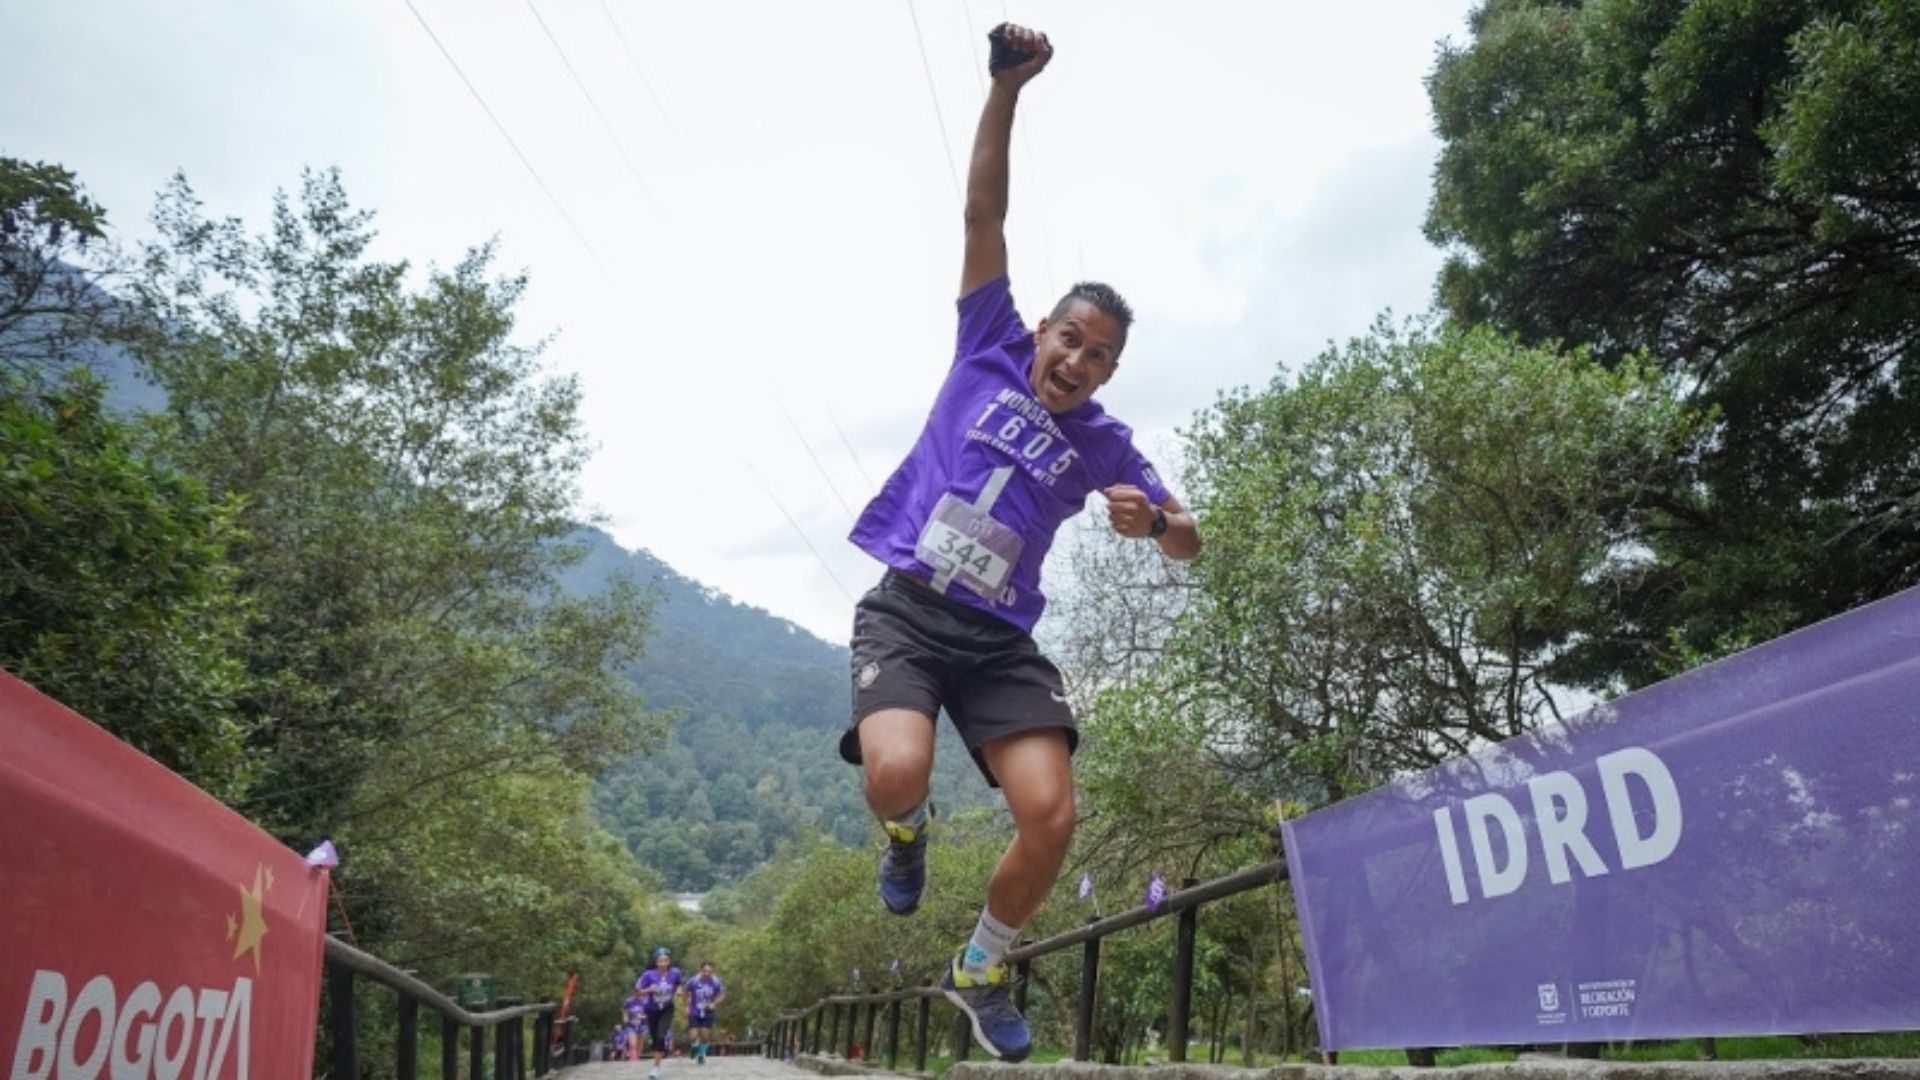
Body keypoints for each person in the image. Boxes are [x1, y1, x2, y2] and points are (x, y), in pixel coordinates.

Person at [840, 21, 1202, 1064]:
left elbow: (1191, 542)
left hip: (999, 642)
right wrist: (1007, 90)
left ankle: (982, 962)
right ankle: (906, 836)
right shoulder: (986, 344)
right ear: (1040, 328)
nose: (1079, 361)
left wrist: (1158, 523)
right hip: (909, 610)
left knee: (1051, 814)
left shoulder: (1105, 442)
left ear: (1110, 374)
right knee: (895, 774)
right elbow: (981, 210)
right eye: (1071, 338)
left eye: (1100, 356)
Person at [635, 947, 684, 1079]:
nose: (663, 963)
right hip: (651, 1009)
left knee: (661, 1036)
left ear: (669, 961)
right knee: (655, 1037)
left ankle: (656, 1067)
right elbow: (638, 991)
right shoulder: (648, 974)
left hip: (667, 1008)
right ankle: (657, 1051)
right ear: (656, 962)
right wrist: (648, 990)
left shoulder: (675, 972)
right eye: (660, 960)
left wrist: (679, 990)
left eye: (666, 960)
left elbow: (679, 984)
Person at [683, 960, 727, 1064]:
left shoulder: (716, 981)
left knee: (705, 1035)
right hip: (695, 1009)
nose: (707, 973)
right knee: (693, 1035)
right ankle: (694, 1046)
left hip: (708, 1010)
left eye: (709, 971)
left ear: (713, 971)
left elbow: (722, 995)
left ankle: (701, 1055)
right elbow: (685, 992)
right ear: (701, 970)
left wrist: (714, 1003)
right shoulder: (693, 980)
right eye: (705, 971)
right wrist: (687, 1006)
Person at [621, 987, 649, 1061]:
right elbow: (624, 1009)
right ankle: (633, 1059)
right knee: (632, 1044)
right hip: (631, 1025)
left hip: (642, 1025)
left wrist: (643, 1016)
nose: (640, 995)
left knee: (640, 1045)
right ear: (634, 993)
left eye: (641, 993)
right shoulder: (629, 1001)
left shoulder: (646, 1002)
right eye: (638, 993)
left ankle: (637, 1057)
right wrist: (625, 1017)